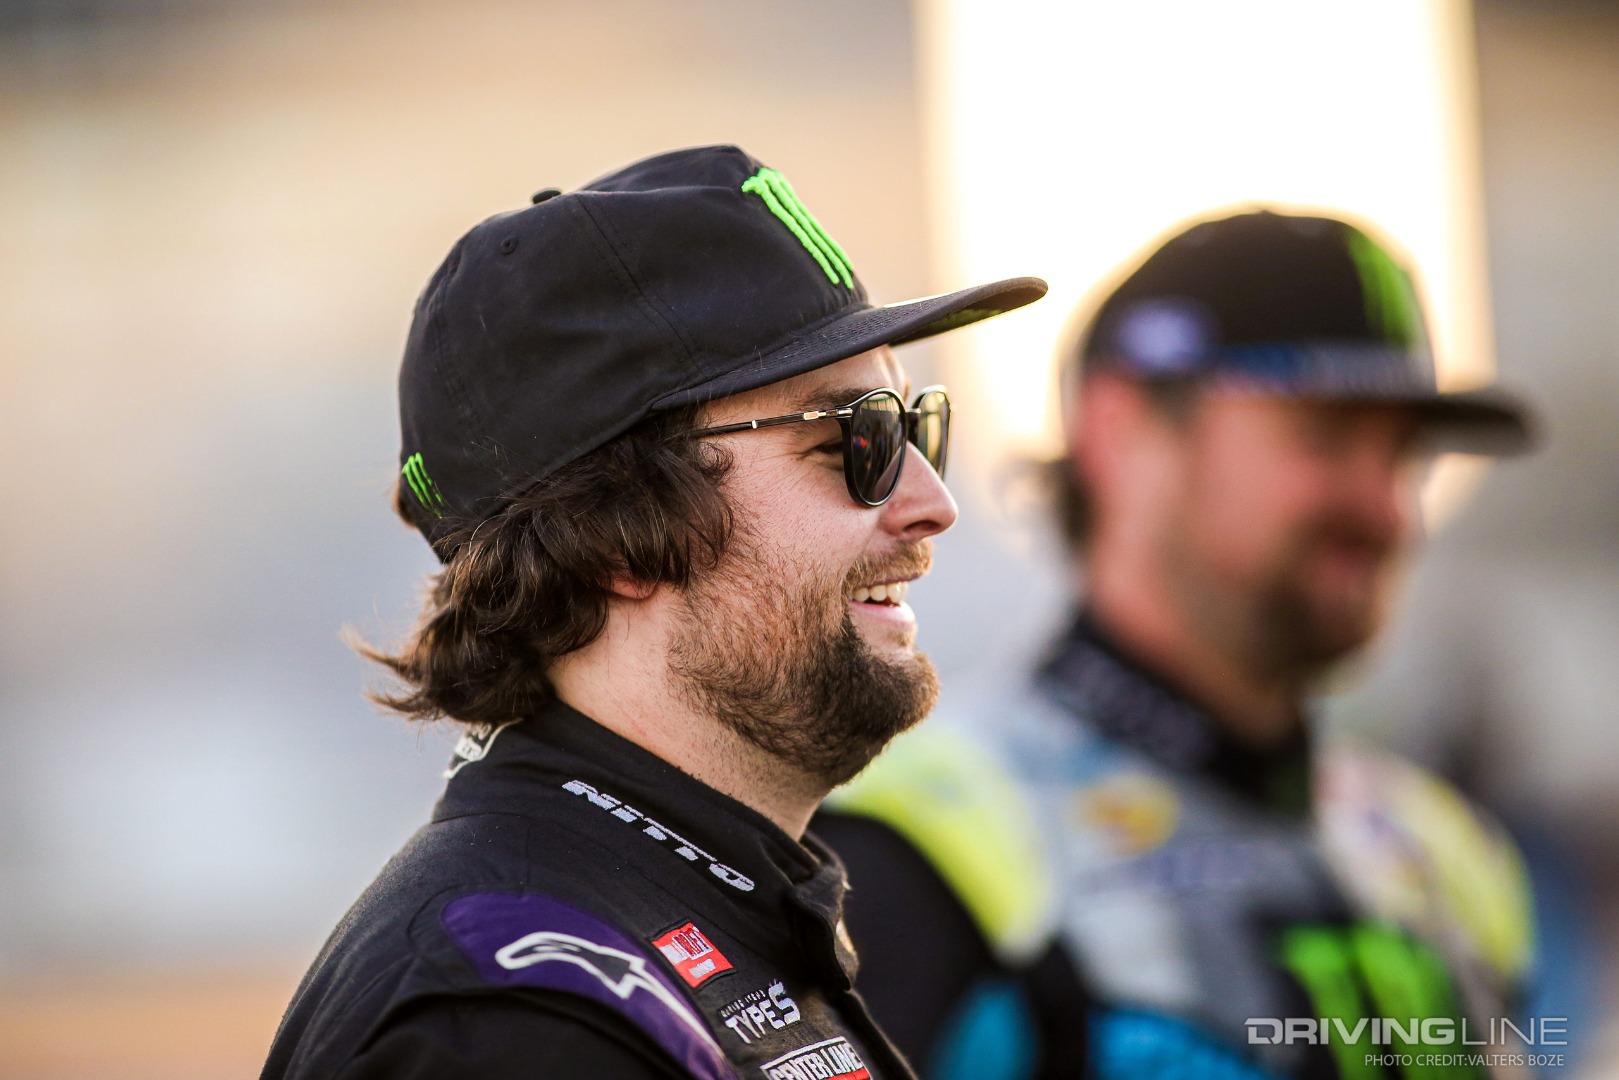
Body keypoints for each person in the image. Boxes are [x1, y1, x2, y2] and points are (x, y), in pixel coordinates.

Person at [259, 144, 1046, 1080]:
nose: (930, 501)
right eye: (857, 437)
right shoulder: (510, 1025)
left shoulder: (711, 907)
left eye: (920, 429)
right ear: (618, 536)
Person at [815, 210, 1538, 1080]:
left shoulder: (1440, 849)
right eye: (1326, 436)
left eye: (1404, 455)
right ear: (1121, 432)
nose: (1384, 509)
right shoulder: (915, 846)